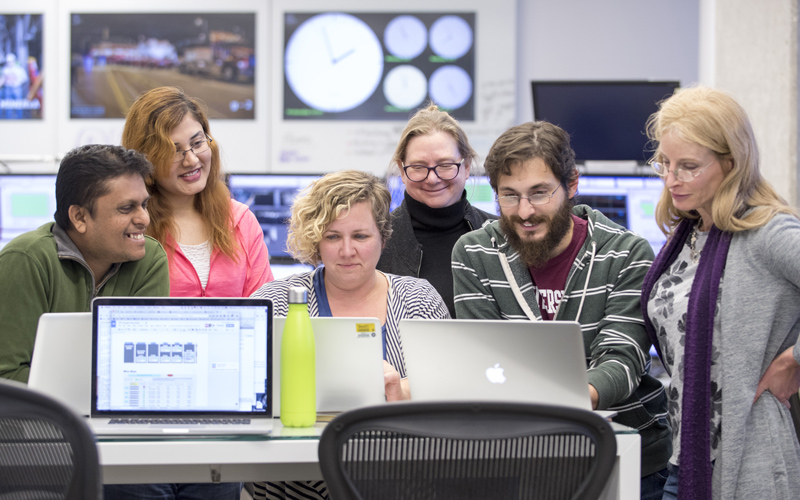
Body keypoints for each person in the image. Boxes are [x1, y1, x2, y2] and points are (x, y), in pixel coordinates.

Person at [451, 121, 671, 499]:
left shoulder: (627, 253)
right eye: (509, 196)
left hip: (621, 453)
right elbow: (483, 358)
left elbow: (622, 358)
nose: (524, 212)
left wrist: (570, 399)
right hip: (514, 454)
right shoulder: (474, 253)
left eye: (539, 193)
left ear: (571, 184)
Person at [641, 86, 800, 500]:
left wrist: (793, 360)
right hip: (685, 456)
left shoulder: (767, 232)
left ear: (731, 164)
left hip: (746, 459)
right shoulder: (690, 233)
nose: (672, 180)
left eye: (689, 166)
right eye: (665, 164)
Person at [251, 170, 450, 500]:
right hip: (296, 483)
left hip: (403, 479)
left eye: (360, 236)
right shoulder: (278, 301)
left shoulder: (418, 299)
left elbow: (449, 389)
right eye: (332, 237)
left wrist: (401, 391)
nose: (346, 251)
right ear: (315, 240)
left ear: (383, 239)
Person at [0, 144, 169, 383]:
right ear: (79, 217)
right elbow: (6, 376)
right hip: (40, 419)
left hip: (120, 413)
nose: (144, 218)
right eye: (126, 208)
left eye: (144, 205)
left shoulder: (150, 259)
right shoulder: (25, 260)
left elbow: (145, 370)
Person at [122, 86, 273, 297]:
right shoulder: (132, 227)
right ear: (145, 159)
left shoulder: (240, 220)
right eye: (173, 150)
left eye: (197, 143)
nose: (192, 160)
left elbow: (265, 309)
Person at [377, 104, 495, 316]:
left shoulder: (501, 236)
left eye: (445, 165)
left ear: (466, 166)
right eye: (418, 167)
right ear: (402, 170)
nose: (432, 178)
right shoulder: (376, 242)